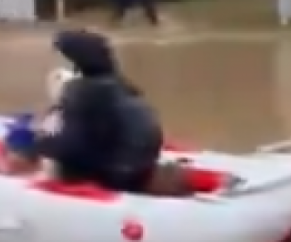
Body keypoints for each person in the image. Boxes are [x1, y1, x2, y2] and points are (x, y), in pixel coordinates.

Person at [33, 29, 192, 195]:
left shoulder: (84, 94)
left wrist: (39, 146)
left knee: (50, 157)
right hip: (138, 167)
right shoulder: (122, 86)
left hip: (114, 177)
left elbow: (70, 145)